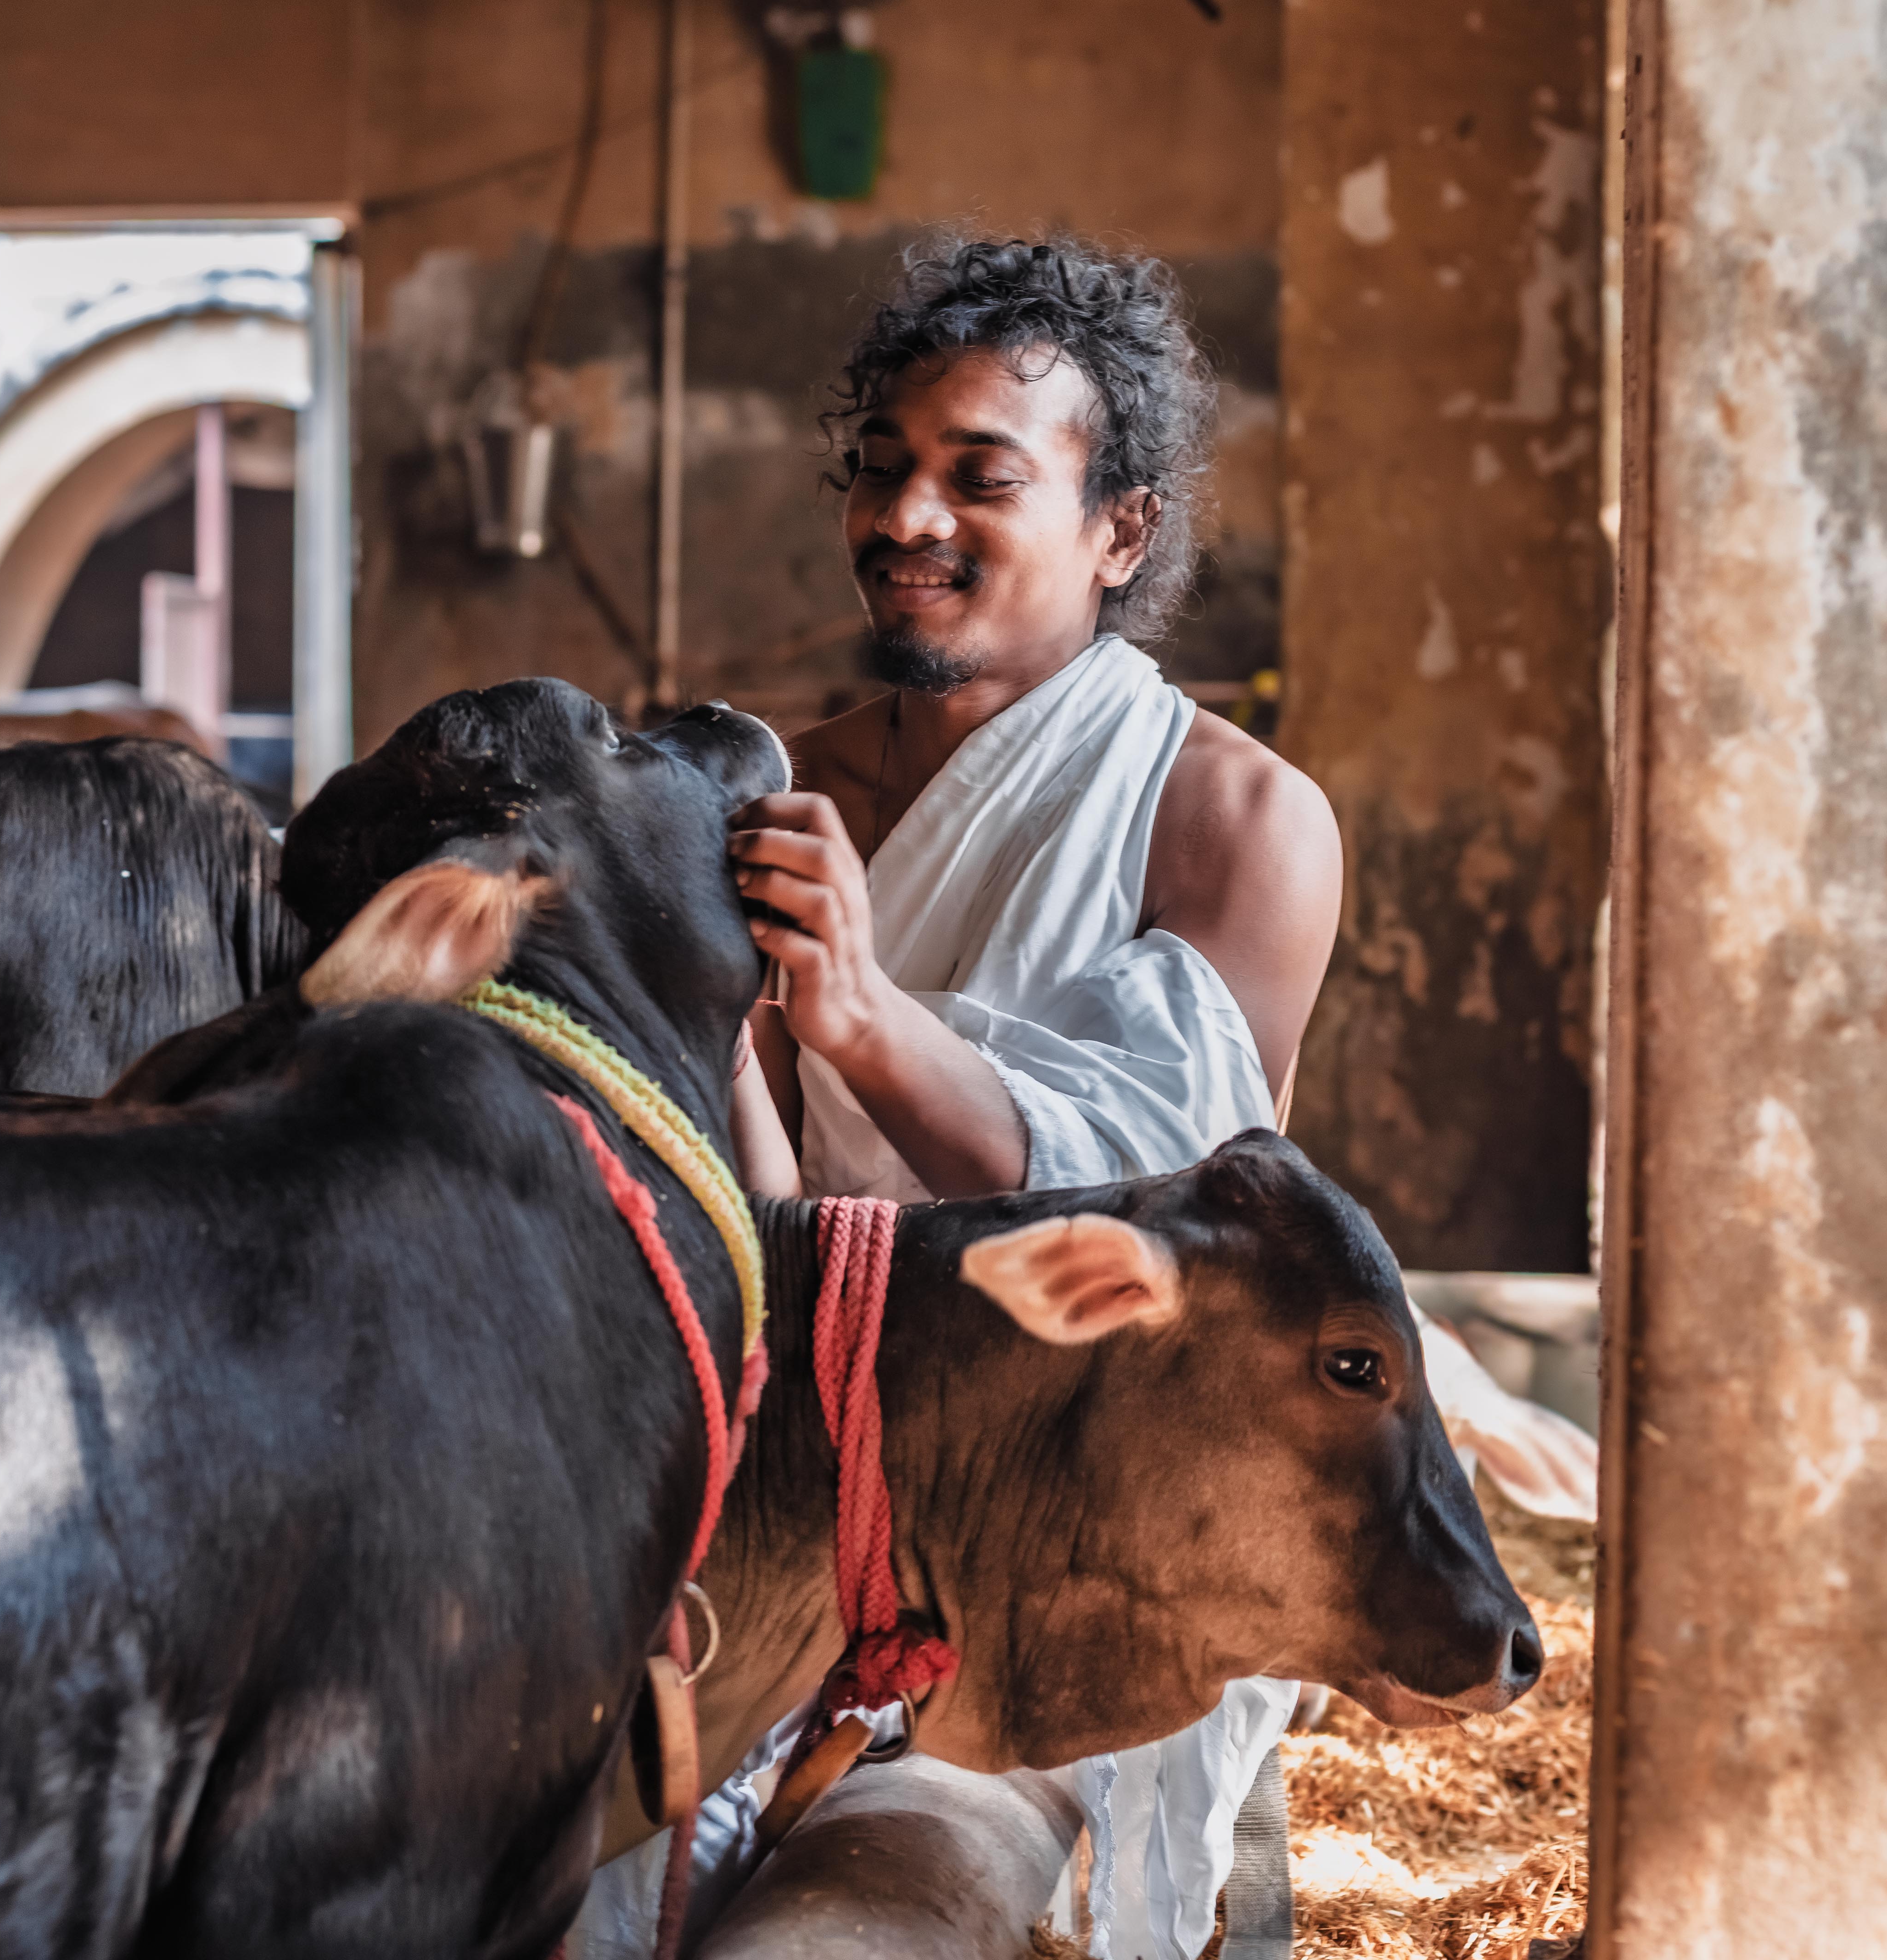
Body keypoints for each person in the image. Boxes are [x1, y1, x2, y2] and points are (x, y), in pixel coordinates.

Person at [575, 235, 1344, 1960]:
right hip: (790, 1464)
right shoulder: (770, 787)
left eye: (980, 479)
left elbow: (1162, 1221)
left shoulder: (1233, 822)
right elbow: (746, 1213)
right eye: (884, 469)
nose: (908, 518)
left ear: (1119, 530)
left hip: (1065, 1504)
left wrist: (855, 1016)